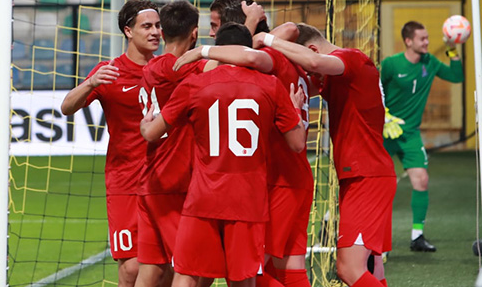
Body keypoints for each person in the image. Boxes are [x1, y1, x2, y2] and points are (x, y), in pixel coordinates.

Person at [141, 22, 306, 287]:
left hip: (203, 197)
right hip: (248, 199)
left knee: (186, 275)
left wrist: (145, 123)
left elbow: (152, 134)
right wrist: (295, 110)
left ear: (218, 50)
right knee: (242, 279)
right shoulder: (271, 85)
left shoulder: (194, 85)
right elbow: (297, 143)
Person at [253, 23, 396, 287]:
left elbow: (314, 62)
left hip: (368, 177)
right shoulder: (338, 78)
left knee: (349, 269)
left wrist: (266, 39)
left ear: (313, 48)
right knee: (372, 271)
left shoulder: (351, 58)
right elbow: (301, 82)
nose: (309, 73)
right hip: (362, 176)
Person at [60, 0, 161, 287]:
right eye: (147, 26)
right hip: (125, 180)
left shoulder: (167, 69)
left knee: (164, 265)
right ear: (128, 31)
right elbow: (67, 107)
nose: (155, 32)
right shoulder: (110, 71)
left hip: (164, 179)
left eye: (158, 26)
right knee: (131, 268)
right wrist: (91, 83)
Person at [134, 0, 207, 287]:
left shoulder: (153, 67)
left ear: (162, 33)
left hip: (152, 180)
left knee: (151, 271)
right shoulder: (181, 69)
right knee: (190, 269)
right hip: (175, 181)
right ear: (194, 33)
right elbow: (224, 63)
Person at [380, 21, 464, 252]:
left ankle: (417, 236)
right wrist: (384, 116)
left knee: (421, 180)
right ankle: (332, 221)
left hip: (410, 134)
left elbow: (456, 77)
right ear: (408, 41)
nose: (427, 42)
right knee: (373, 183)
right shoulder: (390, 64)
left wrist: (452, 49)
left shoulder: (430, 62)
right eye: (422, 39)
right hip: (384, 132)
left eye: (427, 38)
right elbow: (374, 88)